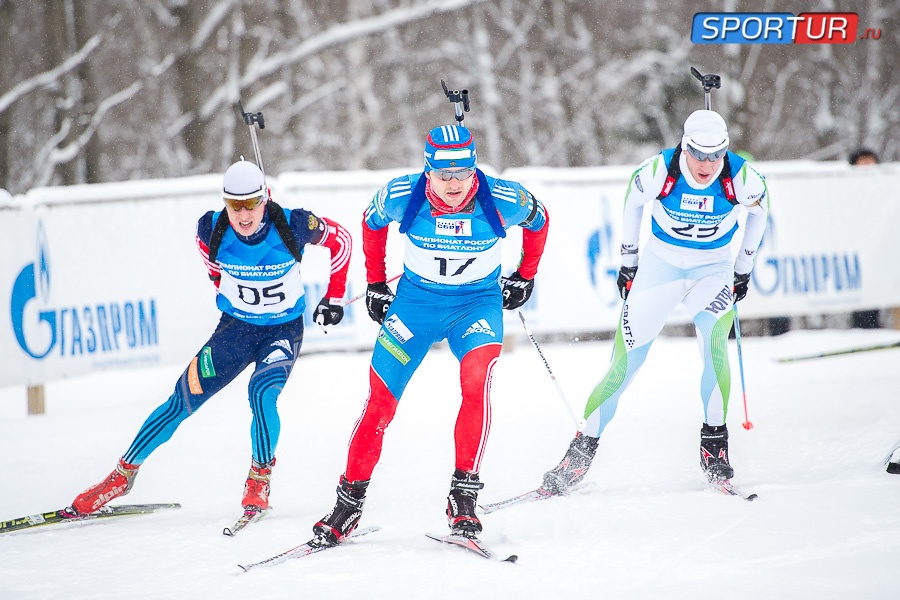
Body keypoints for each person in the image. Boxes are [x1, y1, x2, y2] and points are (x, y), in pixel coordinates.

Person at [69, 159, 352, 517]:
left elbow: (341, 240)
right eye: (235, 205)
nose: (244, 215)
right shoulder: (211, 228)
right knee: (180, 400)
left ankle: (259, 478)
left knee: (262, 393)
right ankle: (122, 475)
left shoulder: (292, 223)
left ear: (265, 198)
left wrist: (335, 296)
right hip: (235, 330)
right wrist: (232, 292)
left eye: (251, 204)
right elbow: (214, 271)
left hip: (282, 331)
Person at [311, 124, 549, 544]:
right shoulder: (403, 194)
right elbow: (370, 222)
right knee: (380, 403)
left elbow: (540, 219)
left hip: (475, 306)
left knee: (476, 383)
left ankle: (463, 496)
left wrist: (525, 276)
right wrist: (376, 283)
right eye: (443, 174)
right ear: (427, 171)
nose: (454, 184)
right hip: (415, 308)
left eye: (462, 172)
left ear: (475, 168)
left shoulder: (502, 198)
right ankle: (348, 504)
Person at [541, 109, 769, 493]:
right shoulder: (658, 170)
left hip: (712, 271)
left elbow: (760, 213)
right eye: (699, 154)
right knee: (624, 365)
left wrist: (743, 268)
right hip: (659, 269)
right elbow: (632, 203)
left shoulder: (742, 176)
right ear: (684, 146)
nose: (708, 164)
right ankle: (578, 455)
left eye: (717, 155)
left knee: (715, 348)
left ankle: (714, 446)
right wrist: (628, 263)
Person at [848, 148, 881, 329]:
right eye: (863, 162)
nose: (868, 167)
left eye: (871, 162)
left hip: (878, 250)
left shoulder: (886, 189)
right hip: (857, 253)